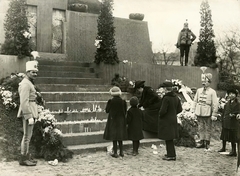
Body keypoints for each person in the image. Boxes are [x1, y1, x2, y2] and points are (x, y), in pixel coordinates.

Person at [17, 60, 39, 166]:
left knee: (28, 136)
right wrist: (28, 116)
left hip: (31, 110)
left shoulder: (29, 82)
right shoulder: (25, 83)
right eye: (33, 72)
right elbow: (24, 101)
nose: (35, 74)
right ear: (27, 72)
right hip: (28, 112)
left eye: (36, 72)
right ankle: (23, 158)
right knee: (26, 136)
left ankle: (26, 155)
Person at [191, 73, 218, 151]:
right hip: (199, 111)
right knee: (200, 127)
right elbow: (195, 101)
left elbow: (215, 103)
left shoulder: (212, 92)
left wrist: (214, 114)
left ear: (209, 82)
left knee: (208, 128)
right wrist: (193, 110)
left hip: (208, 111)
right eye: (203, 81)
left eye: (206, 81)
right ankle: (202, 141)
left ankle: (207, 142)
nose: (204, 83)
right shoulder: (199, 90)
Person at [158, 81, 182, 161]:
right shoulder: (176, 97)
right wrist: (173, 113)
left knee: (168, 138)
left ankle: (171, 155)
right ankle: (171, 153)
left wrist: (160, 115)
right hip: (173, 119)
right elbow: (180, 109)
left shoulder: (166, 98)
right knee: (170, 138)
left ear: (165, 89)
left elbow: (163, 110)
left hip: (166, 120)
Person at [103, 86, 128, 158]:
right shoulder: (123, 101)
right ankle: (122, 152)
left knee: (114, 137)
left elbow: (107, 110)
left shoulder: (110, 101)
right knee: (120, 136)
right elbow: (125, 111)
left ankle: (115, 152)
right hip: (121, 120)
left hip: (113, 120)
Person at [218, 89, 240, 156]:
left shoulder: (238, 104)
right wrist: (222, 119)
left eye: (233, 94)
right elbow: (224, 112)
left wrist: (234, 115)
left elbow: (238, 112)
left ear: (236, 95)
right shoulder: (227, 103)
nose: (231, 95)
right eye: (230, 94)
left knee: (233, 137)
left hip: (234, 123)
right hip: (226, 121)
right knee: (224, 135)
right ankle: (223, 147)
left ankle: (234, 151)